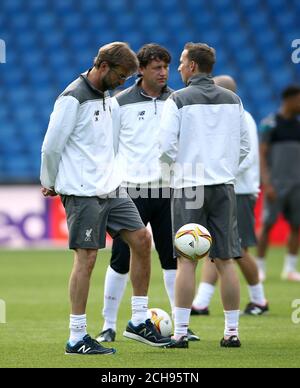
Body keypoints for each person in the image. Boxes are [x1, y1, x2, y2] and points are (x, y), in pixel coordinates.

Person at [40, 42, 172, 355]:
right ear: (102, 66)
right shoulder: (72, 99)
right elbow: (51, 147)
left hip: (111, 187)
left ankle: (138, 320)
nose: (123, 82)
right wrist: (49, 181)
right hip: (83, 192)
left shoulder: (106, 98)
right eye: (121, 76)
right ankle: (77, 336)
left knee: (141, 240)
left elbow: (109, 143)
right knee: (86, 259)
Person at [96, 43, 199, 343]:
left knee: (173, 257)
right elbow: (109, 146)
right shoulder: (119, 102)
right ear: (140, 70)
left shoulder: (177, 101)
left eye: (167, 67)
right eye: (157, 67)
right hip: (131, 190)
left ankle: (181, 326)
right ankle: (108, 324)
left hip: (169, 189)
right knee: (120, 259)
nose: (164, 73)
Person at [159, 43, 250, 348]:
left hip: (189, 187)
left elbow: (166, 147)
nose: (179, 68)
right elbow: (244, 146)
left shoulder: (178, 99)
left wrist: (175, 172)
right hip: (223, 186)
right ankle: (232, 333)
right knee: (226, 260)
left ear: (193, 66)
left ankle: (181, 333)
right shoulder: (234, 100)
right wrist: (224, 168)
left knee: (187, 260)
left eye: (182, 63)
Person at [191, 75, 268, 317]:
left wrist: (218, 173)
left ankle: (259, 300)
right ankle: (201, 303)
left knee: (237, 250)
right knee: (216, 249)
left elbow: (246, 157)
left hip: (239, 191)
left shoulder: (241, 118)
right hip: (230, 189)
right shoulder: (234, 115)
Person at [256, 85, 300, 282]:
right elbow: (262, 156)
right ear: (289, 100)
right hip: (276, 183)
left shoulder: (298, 126)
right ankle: (260, 268)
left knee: (297, 226)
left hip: (297, 185)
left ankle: (290, 269)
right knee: (267, 225)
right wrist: (267, 183)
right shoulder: (270, 124)